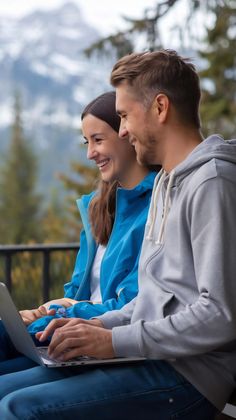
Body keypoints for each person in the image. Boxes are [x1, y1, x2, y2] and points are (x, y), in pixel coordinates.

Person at [0, 50, 235, 420]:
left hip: (187, 376)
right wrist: (96, 325)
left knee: (17, 409)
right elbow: (154, 301)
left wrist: (112, 341)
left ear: (160, 108)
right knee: (3, 393)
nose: (122, 129)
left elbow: (221, 315)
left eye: (124, 116)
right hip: (149, 356)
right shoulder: (168, 184)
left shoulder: (212, 182)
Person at [0, 91, 157, 374]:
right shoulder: (97, 211)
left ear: (126, 134)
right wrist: (45, 311)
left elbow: (132, 304)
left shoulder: (156, 209)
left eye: (98, 140)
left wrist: (57, 312)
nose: (90, 153)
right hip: (71, 335)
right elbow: (76, 292)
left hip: (107, 344)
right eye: (87, 142)